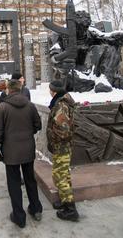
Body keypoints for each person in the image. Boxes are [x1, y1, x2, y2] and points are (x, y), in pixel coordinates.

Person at [0, 79, 42, 229]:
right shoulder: (30, 105)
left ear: (8, 90)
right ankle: (36, 209)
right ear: (20, 89)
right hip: (27, 149)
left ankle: (19, 217)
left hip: (10, 151)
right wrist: (27, 134)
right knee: (30, 180)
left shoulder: (2, 107)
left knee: (14, 183)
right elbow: (37, 125)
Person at [47, 80, 79, 222]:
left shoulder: (61, 105)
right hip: (63, 147)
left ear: (53, 91)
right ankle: (65, 199)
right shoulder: (62, 102)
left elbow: (64, 131)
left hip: (62, 147)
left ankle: (70, 209)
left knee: (59, 176)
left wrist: (52, 136)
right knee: (64, 175)